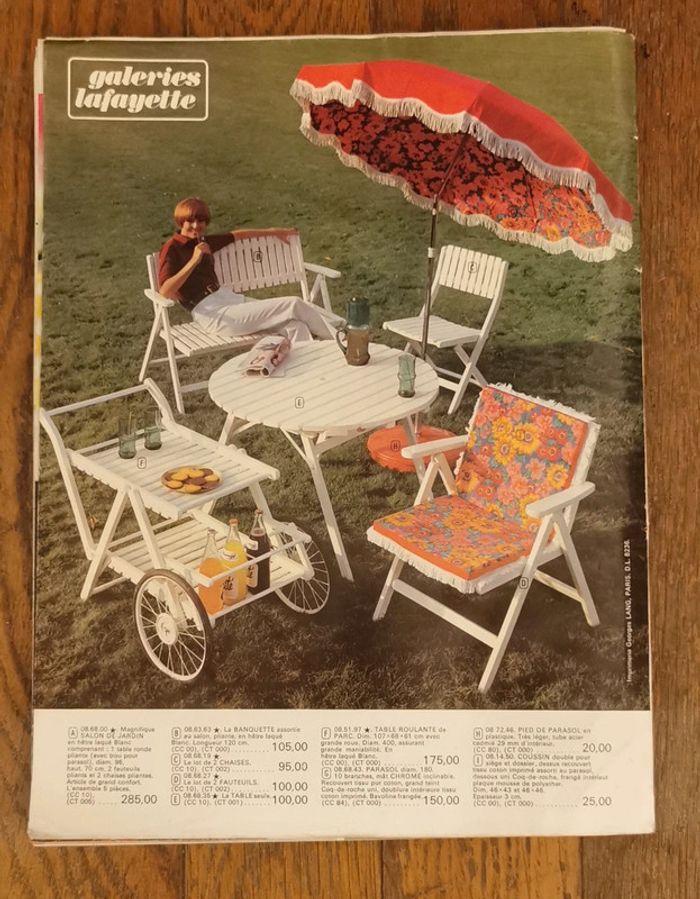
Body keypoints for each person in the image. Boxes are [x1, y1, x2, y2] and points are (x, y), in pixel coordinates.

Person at [158, 197, 341, 343]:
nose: (196, 226)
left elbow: (238, 235)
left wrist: (274, 232)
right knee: (293, 303)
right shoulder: (172, 248)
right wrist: (194, 260)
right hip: (213, 314)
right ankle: (343, 341)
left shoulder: (203, 241)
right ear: (180, 222)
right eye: (190, 221)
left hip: (230, 299)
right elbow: (165, 291)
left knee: (295, 326)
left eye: (201, 221)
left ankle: (307, 368)